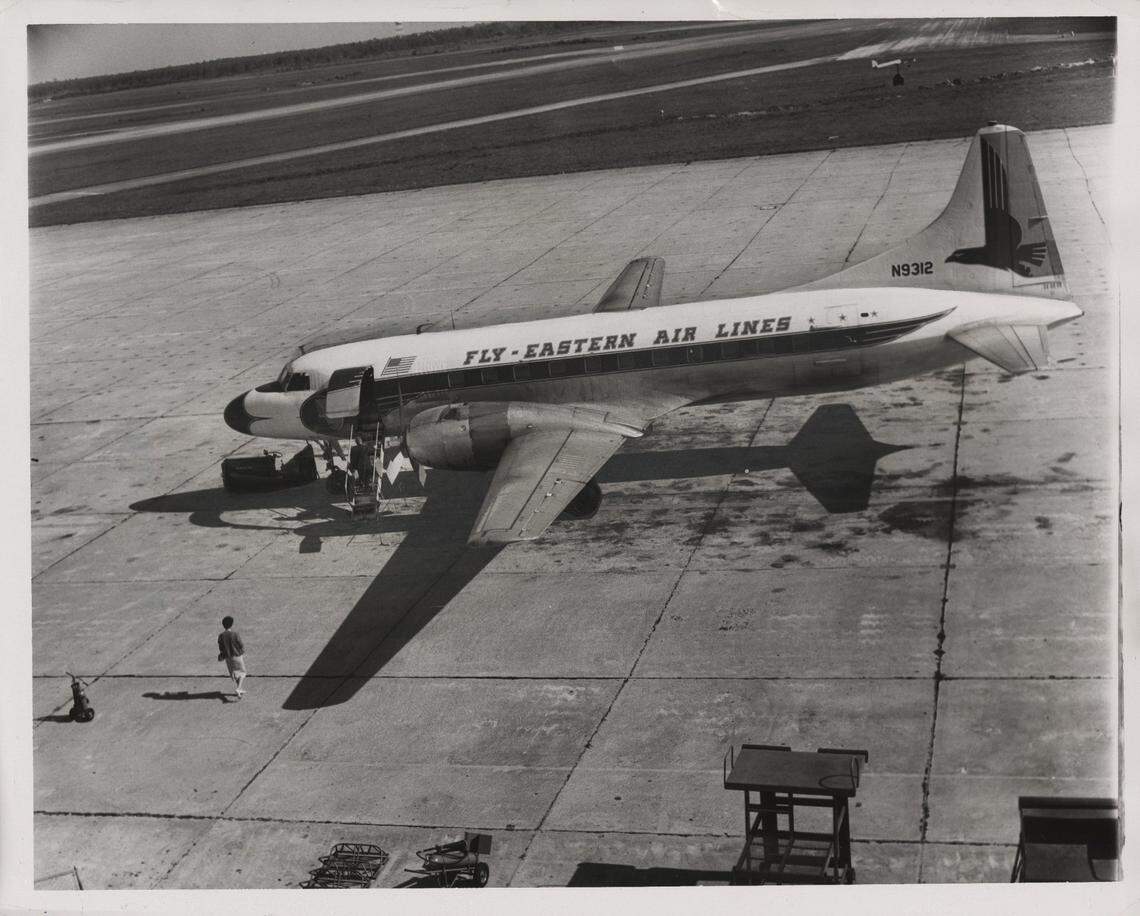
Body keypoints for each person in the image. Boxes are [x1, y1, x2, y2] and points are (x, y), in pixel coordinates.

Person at [217, 616, 247, 699]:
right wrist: (242, 650)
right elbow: (240, 644)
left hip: (227, 657)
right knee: (242, 672)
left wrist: (222, 655)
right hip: (236, 655)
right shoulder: (235, 634)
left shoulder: (221, 636)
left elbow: (221, 647)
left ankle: (239, 691)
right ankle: (238, 688)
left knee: (235, 673)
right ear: (231, 624)